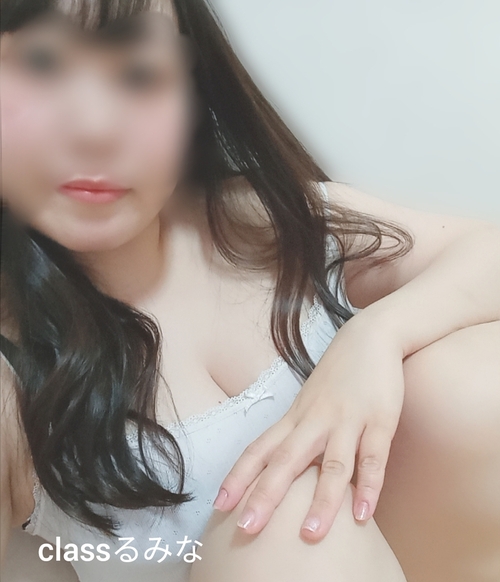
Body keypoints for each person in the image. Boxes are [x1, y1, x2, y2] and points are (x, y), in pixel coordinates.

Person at [0, 1, 499, 581]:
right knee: (282, 538)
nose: (95, 129)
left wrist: (375, 335)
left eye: (137, 74)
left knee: (465, 386)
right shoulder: (13, 376)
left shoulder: (259, 221)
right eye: (40, 66)